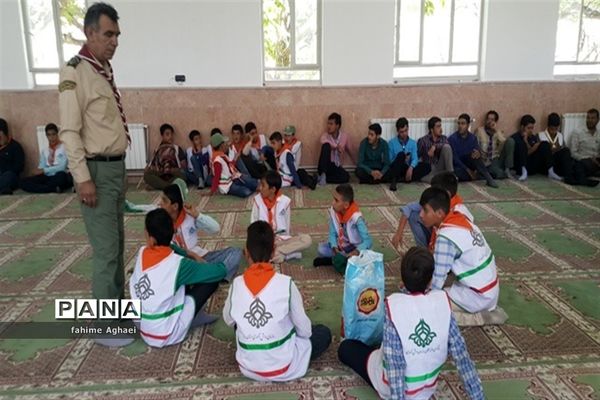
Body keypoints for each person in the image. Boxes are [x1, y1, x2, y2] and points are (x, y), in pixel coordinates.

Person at [58, 2, 131, 346]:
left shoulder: (102, 70)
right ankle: (104, 325)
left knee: (117, 246)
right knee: (105, 251)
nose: (114, 41)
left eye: (117, 35)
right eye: (108, 34)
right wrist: (82, 177)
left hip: (114, 169)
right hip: (96, 172)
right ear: (89, 33)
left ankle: (118, 312)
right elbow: (69, 131)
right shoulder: (75, 72)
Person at [338, 246, 484, 400]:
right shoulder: (442, 302)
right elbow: (461, 356)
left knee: (347, 348)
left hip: (395, 388)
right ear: (430, 281)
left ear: (402, 280)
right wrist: (478, 397)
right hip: (427, 386)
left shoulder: (394, 307)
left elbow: (395, 366)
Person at [223, 221, 332, 382]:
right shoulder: (286, 283)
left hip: (248, 367)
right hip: (284, 365)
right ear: (274, 251)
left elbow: (229, 320)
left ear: (246, 252)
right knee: (322, 333)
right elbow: (305, 331)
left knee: (240, 322)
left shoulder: (236, 284)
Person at [130, 208, 226, 348]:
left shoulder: (142, 251)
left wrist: (189, 254)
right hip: (166, 334)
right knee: (211, 280)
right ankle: (194, 316)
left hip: (142, 326)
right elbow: (220, 272)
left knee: (177, 280)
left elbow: (170, 247)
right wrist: (200, 262)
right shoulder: (178, 264)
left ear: (151, 239)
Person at [420, 187, 507, 326]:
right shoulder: (459, 219)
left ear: (440, 213)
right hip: (488, 289)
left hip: (478, 295)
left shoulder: (446, 238)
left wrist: (422, 297)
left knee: (428, 308)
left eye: (425, 210)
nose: (420, 215)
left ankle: (479, 318)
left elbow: (437, 281)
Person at [160, 180, 241, 282]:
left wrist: (197, 215)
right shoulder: (160, 221)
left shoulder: (189, 216)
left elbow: (215, 228)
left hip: (200, 257)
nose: (160, 204)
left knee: (235, 252)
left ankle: (214, 276)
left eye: (164, 201)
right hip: (180, 263)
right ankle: (212, 275)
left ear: (175, 206)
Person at [391, 172, 473, 249]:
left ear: (446, 193)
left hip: (451, 244)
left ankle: (424, 254)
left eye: (435, 190)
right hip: (438, 239)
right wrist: (398, 233)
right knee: (413, 215)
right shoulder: (436, 201)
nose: (421, 215)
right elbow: (409, 208)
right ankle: (423, 250)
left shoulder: (458, 213)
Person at [251, 171, 312, 263]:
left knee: (307, 239)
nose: (260, 188)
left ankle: (279, 252)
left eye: (263, 185)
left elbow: (287, 227)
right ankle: (287, 254)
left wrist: (282, 242)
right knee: (253, 252)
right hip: (263, 241)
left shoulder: (285, 202)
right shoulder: (257, 201)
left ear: (273, 189)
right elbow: (253, 226)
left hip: (280, 240)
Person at [313, 184, 372, 274]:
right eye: (333, 199)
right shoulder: (335, 212)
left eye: (336, 200)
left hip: (356, 248)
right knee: (321, 249)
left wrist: (356, 252)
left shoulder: (356, 218)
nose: (333, 203)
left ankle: (337, 261)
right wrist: (334, 247)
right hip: (342, 247)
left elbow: (368, 241)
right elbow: (332, 233)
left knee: (364, 258)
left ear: (346, 205)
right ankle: (341, 260)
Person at [19, 123, 73, 193]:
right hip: (47, 176)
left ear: (57, 134)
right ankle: (52, 189)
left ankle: (46, 187)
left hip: (59, 174)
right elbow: (42, 167)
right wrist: (37, 172)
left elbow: (62, 167)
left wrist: (44, 170)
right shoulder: (45, 150)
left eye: (53, 134)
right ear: (46, 136)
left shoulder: (64, 147)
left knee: (61, 177)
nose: (51, 137)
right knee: (23, 182)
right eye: (49, 135)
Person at [449, 114, 498, 188]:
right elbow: (455, 159)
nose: (460, 126)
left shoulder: (473, 138)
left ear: (468, 125)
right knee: (456, 174)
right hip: (460, 166)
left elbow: (477, 151)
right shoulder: (452, 138)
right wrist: (468, 170)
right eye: (459, 123)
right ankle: (478, 176)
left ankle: (488, 178)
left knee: (475, 155)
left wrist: (478, 153)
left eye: (463, 123)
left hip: (470, 162)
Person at [538, 113, 587, 185]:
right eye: (552, 129)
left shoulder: (560, 135)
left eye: (556, 129)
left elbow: (563, 153)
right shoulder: (540, 135)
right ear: (548, 126)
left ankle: (571, 177)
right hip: (546, 166)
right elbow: (540, 155)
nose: (554, 132)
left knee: (567, 151)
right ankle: (569, 176)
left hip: (557, 165)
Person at [210, 133, 258, 198]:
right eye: (225, 144)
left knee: (252, 182)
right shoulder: (217, 160)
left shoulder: (222, 155)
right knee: (246, 191)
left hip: (233, 178)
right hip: (227, 185)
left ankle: (250, 186)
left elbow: (230, 165)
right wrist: (212, 191)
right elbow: (216, 177)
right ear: (221, 146)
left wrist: (235, 159)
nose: (226, 145)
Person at [387, 117, 428, 191]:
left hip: (407, 168)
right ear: (397, 131)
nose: (404, 134)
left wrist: (411, 167)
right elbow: (389, 161)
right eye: (401, 132)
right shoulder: (392, 143)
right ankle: (394, 181)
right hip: (396, 168)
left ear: (408, 128)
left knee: (427, 166)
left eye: (406, 130)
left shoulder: (413, 143)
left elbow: (415, 158)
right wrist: (401, 158)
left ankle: (404, 178)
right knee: (401, 155)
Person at [144, 123, 188, 190]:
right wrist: (151, 168)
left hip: (173, 175)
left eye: (171, 134)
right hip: (161, 175)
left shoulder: (177, 148)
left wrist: (172, 170)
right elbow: (153, 165)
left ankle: (161, 186)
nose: (170, 137)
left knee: (183, 175)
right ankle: (169, 186)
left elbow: (184, 166)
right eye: (167, 134)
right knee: (147, 175)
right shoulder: (157, 149)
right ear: (162, 136)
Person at [511, 115, 554, 181]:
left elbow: (532, 152)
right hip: (520, 167)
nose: (531, 130)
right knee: (522, 144)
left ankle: (551, 171)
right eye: (528, 128)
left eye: (532, 128)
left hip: (531, 165)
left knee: (545, 144)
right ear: (522, 127)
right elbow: (525, 154)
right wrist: (527, 142)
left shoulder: (533, 137)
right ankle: (524, 172)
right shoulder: (515, 138)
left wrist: (534, 146)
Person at [475, 110, 515, 179]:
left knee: (510, 141)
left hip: (495, 159)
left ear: (495, 122)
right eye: (488, 119)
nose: (489, 121)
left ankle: (507, 169)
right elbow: (475, 145)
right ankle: (499, 172)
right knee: (498, 174)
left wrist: (496, 130)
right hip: (484, 160)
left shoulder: (498, 132)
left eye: (492, 119)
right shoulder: (479, 131)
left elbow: (504, 142)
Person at [317, 112, 353, 185]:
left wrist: (357, 164)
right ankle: (323, 174)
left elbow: (351, 150)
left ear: (337, 126)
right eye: (328, 123)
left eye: (331, 124)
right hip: (325, 165)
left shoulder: (344, 136)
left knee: (346, 177)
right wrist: (336, 147)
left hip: (336, 166)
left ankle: (323, 178)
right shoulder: (325, 135)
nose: (328, 126)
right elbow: (323, 141)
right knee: (326, 146)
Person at [417, 117, 454, 183]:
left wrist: (435, 147)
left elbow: (448, 148)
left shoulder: (444, 138)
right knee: (431, 179)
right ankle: (442, 179)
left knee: (447, 147)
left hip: (441, 167)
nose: (441, 129)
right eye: (438, 127)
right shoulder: (423, 140)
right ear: (431, 129)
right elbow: (416, 155)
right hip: (430, 170)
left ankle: (451, 176)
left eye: (440, 126)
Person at [569, 108, 600, 178]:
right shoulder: (578, 132)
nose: (590, 120)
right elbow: (573, 153)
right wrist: (588, 159)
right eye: (588, 118)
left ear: (598, 120)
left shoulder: (599, 133)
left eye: (593, 118)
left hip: (597, 161)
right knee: (580, 166)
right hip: (584, 160)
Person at [0, 118, 25, 195]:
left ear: (6, 133)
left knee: (8, 176)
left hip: (11, 176)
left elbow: (19, 167)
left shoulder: (15, 146)